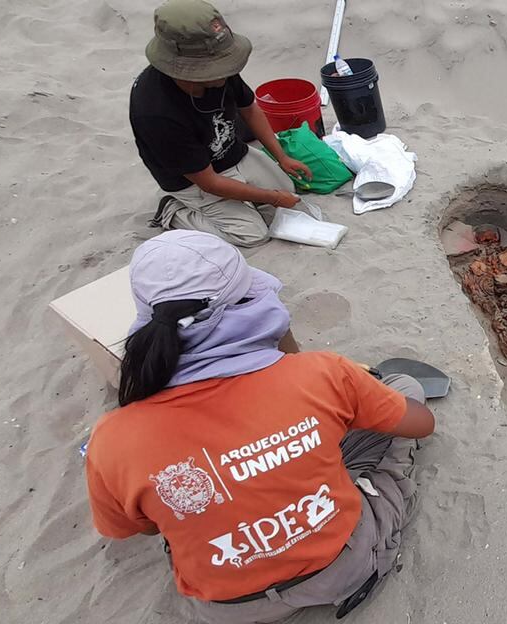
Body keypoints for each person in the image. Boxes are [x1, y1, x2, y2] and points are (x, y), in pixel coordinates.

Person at [85, 230, 436, 622]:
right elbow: (421, 424)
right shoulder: (321, 374)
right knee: (406, 390)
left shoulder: (111, 438)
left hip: (226, 608)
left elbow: (144, 528)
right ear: (252, 304)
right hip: (340, 567)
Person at [130, 0, 314, 248]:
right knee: (252, 235)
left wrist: (281, 157)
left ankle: (247, 200)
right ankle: (173, 211)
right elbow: (209, 183)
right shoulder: (156, 113)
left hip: (230, 152)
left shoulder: (222, 69)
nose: (226, 71)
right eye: (216, 66)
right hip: (193, 179)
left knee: (288, 189)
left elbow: (250, 109)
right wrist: (273, 198)